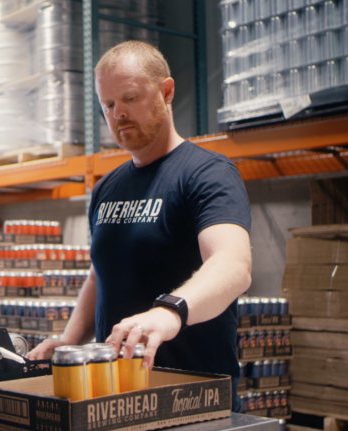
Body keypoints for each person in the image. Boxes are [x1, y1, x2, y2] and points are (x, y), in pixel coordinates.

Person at [26, 41, 253, 411]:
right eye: (109, 105)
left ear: (166, 92)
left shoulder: (207, 173)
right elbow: (101, 274)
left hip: (192, 402)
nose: (118, 114)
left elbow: (233, 265)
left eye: (129, 98)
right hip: (117, 401)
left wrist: (169, 312)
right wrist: (69, 338)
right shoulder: (106, 189)